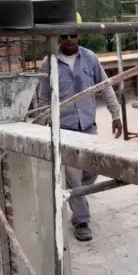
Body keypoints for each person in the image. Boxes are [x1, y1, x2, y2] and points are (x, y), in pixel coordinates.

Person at [38, 13, 124, 242]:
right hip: (64, 129)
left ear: (79, 35)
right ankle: (81, 221)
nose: (68, 40)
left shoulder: (90, 58)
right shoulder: (49, 62)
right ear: (57, 37)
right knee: (73, 177)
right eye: (63, 35)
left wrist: (116, 114)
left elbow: (105, 87)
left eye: (72, 35)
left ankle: (79, 197)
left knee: (91, 169)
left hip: (87, 126)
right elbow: (43, 96)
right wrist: (44, 121)